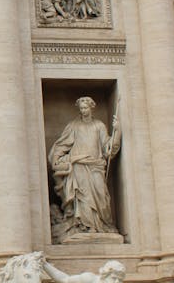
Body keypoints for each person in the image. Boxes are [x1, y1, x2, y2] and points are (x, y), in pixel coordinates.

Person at [48, 96, 120, 237]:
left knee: (102, 196)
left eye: (86, 108)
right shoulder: (73, 126)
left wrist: (117, 132)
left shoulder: (99, 126)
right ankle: (86, 227)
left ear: (91, 108)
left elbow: (108, 148)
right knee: (83, 198)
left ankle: (103, 225)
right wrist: (56, 159)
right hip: (79, 166)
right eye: (81, 108)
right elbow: (61, 145)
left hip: (96, 166)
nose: (83, 110)